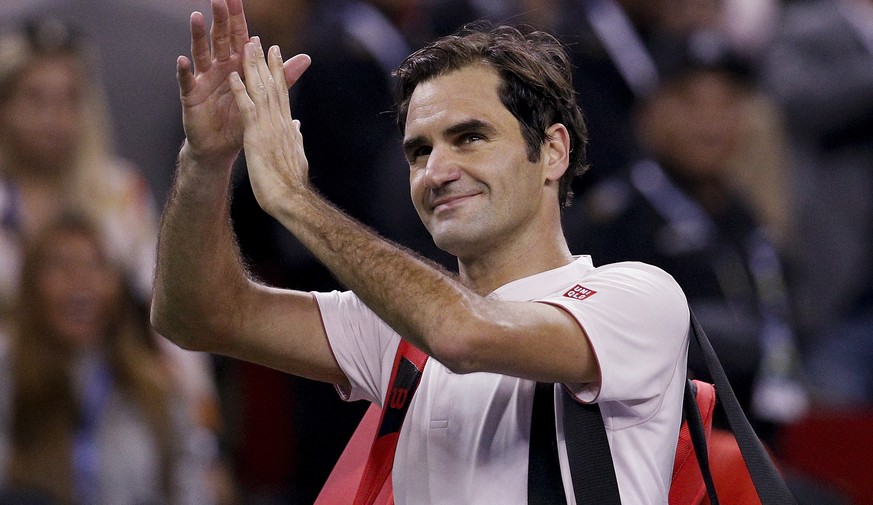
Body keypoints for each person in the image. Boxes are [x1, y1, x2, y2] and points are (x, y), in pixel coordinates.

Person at [151, 0, 690, 502]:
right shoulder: (398, 324)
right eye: (419, 151)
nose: (437, 171)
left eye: (470, 138)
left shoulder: (637, 296)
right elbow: (195, 315)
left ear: (552, 152)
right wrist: (207, 161)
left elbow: (461, 334)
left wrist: (294, 199)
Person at [0, 213, 215, 505]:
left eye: (95, 264)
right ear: (31, 285)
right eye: (60, 265)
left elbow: (189, 488)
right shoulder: (7, 378)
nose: (79, 280)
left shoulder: (157, 389)